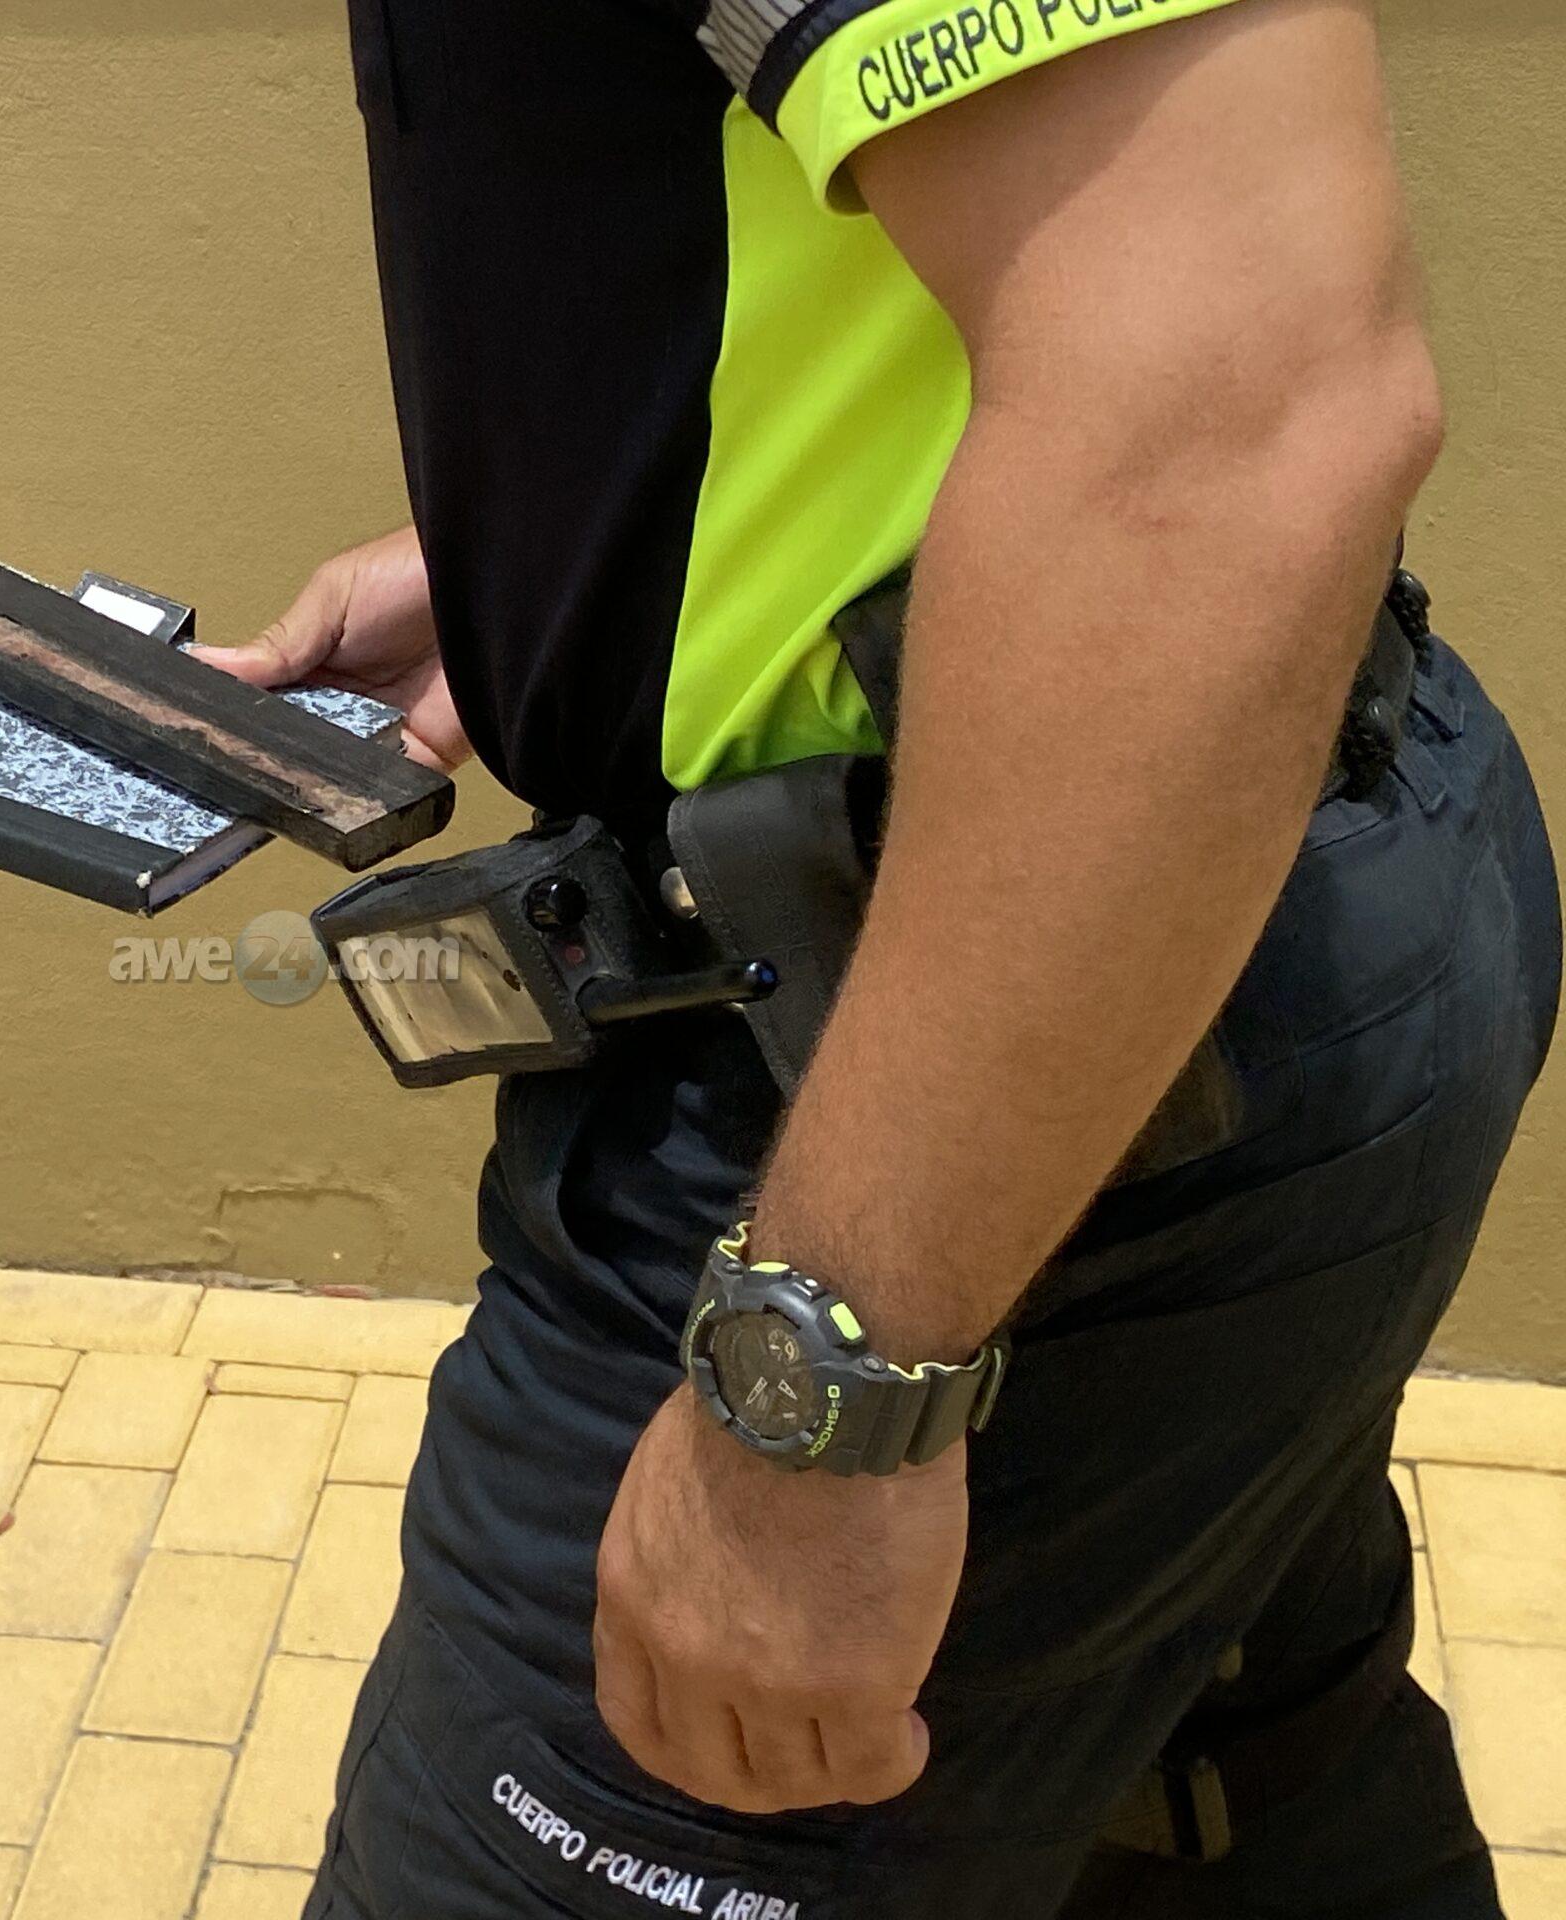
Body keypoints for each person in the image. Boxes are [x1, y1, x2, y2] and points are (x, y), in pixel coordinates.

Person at [198, 0, 1562, 1912]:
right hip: (1186, 921)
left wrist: (820, 1399)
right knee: (1217, 1810)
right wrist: (602, 558)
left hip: (947, 1061)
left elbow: (1232, 428)